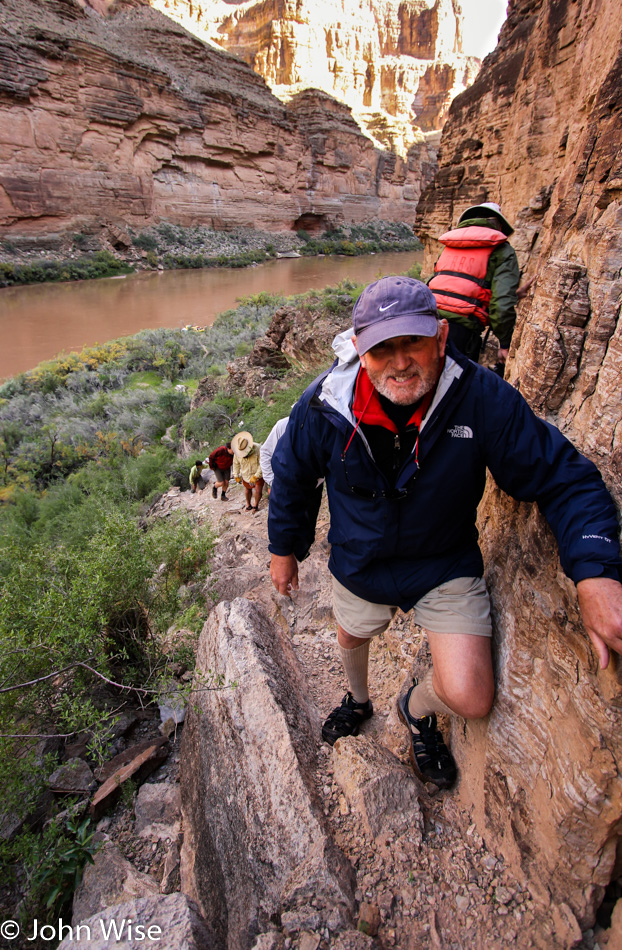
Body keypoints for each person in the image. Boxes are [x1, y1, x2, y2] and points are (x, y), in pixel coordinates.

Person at [268, 275, 622, 789]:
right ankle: (358, 698)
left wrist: (596, 572)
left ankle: (415, 707)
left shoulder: (480, 398)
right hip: (359, 557)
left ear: (439, 336)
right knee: (352, 632)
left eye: (411, 341)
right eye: (382, 348)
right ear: (359, 351)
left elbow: (565, 477)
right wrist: (285, 549)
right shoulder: (325, 405)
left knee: (471, 696)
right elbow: (293, 478)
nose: (399, 361)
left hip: (443, 561)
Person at [428, 202, 519, 365]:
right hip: (462, 331)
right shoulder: (502, 250)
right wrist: (505, 343)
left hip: (428, 323)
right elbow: (501, 305)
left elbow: (444, 284)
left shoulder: (449, 246)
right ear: (498, 225)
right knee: (459, 386)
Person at [232, 431, 265, 513]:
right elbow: (235, 464)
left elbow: (263, 463)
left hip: (257, 474)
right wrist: (236, 475)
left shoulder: (258, 448)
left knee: (258, 490)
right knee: (247, 489)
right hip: (245, 474)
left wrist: (256, 476)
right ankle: (248, 505)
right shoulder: (237, 452)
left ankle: (256, 506)